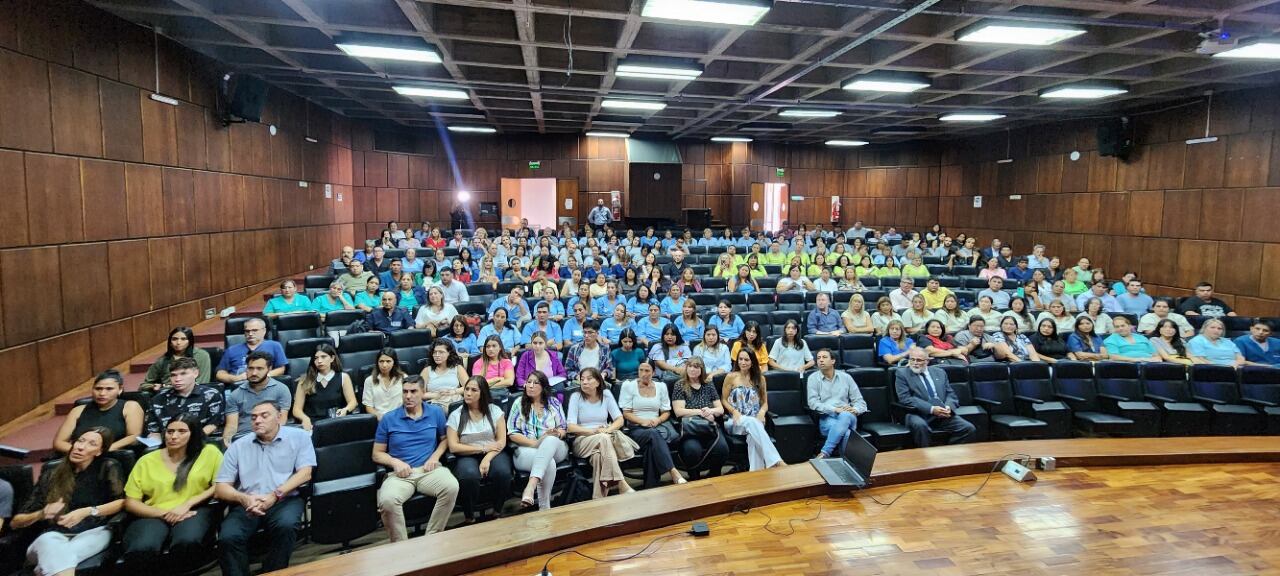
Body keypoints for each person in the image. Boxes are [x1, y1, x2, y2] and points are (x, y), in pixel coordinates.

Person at [215, 401, 314, 576]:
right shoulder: (239, 445)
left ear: (279, 417)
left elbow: (305, 474)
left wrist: (275, 495)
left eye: (264, 416)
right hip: (248, 502)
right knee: (228, 537)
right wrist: (244, 499)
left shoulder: (299, 437)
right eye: (253, 417)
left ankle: (273, 571)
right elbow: (221, 488)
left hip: (284, 499)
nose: (257, 420)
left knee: (286, 526)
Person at [12, 427, 124, 576]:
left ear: (99, 451)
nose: (80, 447)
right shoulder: (52, 474)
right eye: (80, 441)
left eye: (91, 443)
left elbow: (122, 502)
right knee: (50, 544)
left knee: (58, 557)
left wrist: (87, 511)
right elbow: (16, 522)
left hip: (95, 532)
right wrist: (41, 514)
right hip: (52, 535)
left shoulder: (107, 467)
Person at [121, 415, 222, 572]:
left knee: (187, 541)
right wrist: (165, 513)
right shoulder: (146, 460)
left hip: (194, 510)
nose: (174, 436)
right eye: (170, 431)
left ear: (193, 434)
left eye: (182, 431)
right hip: (154, 512)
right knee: (142, 547)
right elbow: (131, 502)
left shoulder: (210, 452)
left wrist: (187, 504)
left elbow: (219, 485)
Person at [373, 379, 459, 540]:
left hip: (428, 470)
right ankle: (401, 545)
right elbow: (377, 453)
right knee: (387, 501)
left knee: (451, 487)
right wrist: (395, 462)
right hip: (400, 475)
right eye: (405, 392)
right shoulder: (388, 418)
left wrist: (435, 456)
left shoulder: (435, 412)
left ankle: (432, 538)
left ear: (422, 393)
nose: (408, 396)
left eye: (413, 392)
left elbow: (444, 439)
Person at [447, 376, 513, 523]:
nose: (468, 393)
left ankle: (497, 511)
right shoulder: (456, 415)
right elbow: (453, 446)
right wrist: (482, 448)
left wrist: (486, 458)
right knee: (469, 476)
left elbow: (501, 441)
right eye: (466, 389)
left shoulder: (495, 411)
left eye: (473, 390)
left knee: (502, 473)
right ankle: (469, 516)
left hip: (493, 452)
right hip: (466, 454)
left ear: (482, 393)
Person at [566, 368, 633, 499]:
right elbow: (570, 427)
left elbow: (619, 420)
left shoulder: (606, 394)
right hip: (582, 440)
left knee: (598, 456)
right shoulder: (576, 397)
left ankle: (598, 498)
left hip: (603, 439)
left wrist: (607, 429)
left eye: (589, 378)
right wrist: (593, 431)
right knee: (603, 439)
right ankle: (621, 483)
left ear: (598, 381)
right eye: (582, 379)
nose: (584, 382)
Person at [508, 371, 569, 509]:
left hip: (556, 447)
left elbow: (563, 428)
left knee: (550, 439)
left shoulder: (553, 402)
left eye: (535, 383)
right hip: (526, 450)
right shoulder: (518, 403)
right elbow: (512, 433)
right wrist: (535, 443)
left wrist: (555, 434)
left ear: (544, 387)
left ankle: (530, 486)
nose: (530, 385)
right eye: (528, 382)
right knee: (549, 463)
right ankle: (544, 507)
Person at [619, 362, 686, 487]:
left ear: (653, 373)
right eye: (641, 370)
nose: (644, 374)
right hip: (636, 429)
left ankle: (650, 486)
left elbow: (666, 412)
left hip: (656, 427)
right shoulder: (628, 386)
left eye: (647, 371)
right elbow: (626, 413)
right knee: (652, 434)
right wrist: (643, 421)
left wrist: (658, 420)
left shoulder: (661, 386)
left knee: (652, 445)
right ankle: (673, 471)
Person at [895, 348, 978, 448]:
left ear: (927, 361)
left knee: (968, 429)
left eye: (919, 360)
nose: (915, 363)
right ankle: (926, 459)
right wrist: (932, 409)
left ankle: (947, 455)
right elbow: (905, 398)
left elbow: (951, 394)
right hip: (918, 413)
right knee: (921, 426)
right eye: (912, 359)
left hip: (942, 413)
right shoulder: (902, 373)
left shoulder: (939, 372)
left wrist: (948, 407)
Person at [54, 370, 144, 455]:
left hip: (112, 456)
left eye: (109, 389)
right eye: (98, 388)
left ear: (120, 389)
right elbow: (59, 442)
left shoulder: (130, 406)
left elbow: (133, 436)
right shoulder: (78, 410)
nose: (102, 393)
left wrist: (102, 451)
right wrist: (81, 452)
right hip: (79, 457)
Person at [722, 351, 784, 471]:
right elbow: (723, 400)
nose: (743, 362)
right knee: (751, 423)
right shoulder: (731, 377)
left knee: (752, 436)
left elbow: (765, 402)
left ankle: (756, 473)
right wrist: (734, 411)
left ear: (752, 362)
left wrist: (762, 412)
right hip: (735, 420)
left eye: (746, 360)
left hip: (755, 420)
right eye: (740, 359)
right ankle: (776, 461)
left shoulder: (760, 378)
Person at [671, 358, 728, 481]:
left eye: (696, 367)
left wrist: (710, 411)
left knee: (723, 449)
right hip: (691, 428)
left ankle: (714, 475)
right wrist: (702, 412)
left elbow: (720, 409)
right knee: (692, 451)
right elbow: (679, 411)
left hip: (709, 426)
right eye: (690, 366)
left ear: (702, 370)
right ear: (686, 368)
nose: (692, 369)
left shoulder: (708, 384)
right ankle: (694, 478)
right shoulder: (680, 385)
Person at [222, 351, 293, 444]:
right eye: (250, 368)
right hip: (243, 440)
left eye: (259, 368)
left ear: (269, 369)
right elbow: (231, 427)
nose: (254, 373)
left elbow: (281, 422)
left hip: (272, 438)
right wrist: (228, 444)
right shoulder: (235, 395)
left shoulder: (281, 390)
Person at [807, 349, 866, 459]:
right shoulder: (813, 378)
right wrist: (834, 409)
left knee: (845, 415)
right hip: (827, 418)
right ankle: (848, 464)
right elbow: (812, 403)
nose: (820, 360)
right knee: (847, 434)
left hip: (849, 417)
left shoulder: (846, 377)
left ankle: (825, 452)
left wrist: (855, 409)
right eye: (818, 358)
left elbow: (860, 402)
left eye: (824, 357)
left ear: (833, 361)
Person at [146, 357, 223, 438]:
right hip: (167, 443)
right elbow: (153, 431)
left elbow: (213, 425)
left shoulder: (211, 395)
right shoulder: (158, 399)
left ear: (195, 373)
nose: (177, 379)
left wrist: (187, 440)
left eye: (183, 374)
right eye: (173, 375)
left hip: (199, 442)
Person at [215, 318, 286, 385]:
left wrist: (262, 376)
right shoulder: (232, 350)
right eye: (247, 331)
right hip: (239, 386)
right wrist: (236, 378)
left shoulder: (274, 346)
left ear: (264, 331)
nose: (250, 334)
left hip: (266, 385)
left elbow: (281, 369)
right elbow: (220, 374)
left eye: (254, 330)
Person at [141, 327, 212, 393]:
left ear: (190, 341)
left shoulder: (201, 356)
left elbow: (203, 382)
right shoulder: (162, 360)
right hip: (167, 395)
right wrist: (153, 386)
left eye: (183, 339)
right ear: (170, 343)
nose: (178, 343)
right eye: (174, 339)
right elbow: (144, 385)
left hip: (193, 394)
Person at [362, 348, 405, 419]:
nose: (384, 365)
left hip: (399, 417)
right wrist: (379, 417)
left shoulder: (403, 378)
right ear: (377, 363)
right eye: (381, 361)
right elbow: (369, 406)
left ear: (394, 362)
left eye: (388, 361)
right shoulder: (369, 380)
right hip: (379, 419)